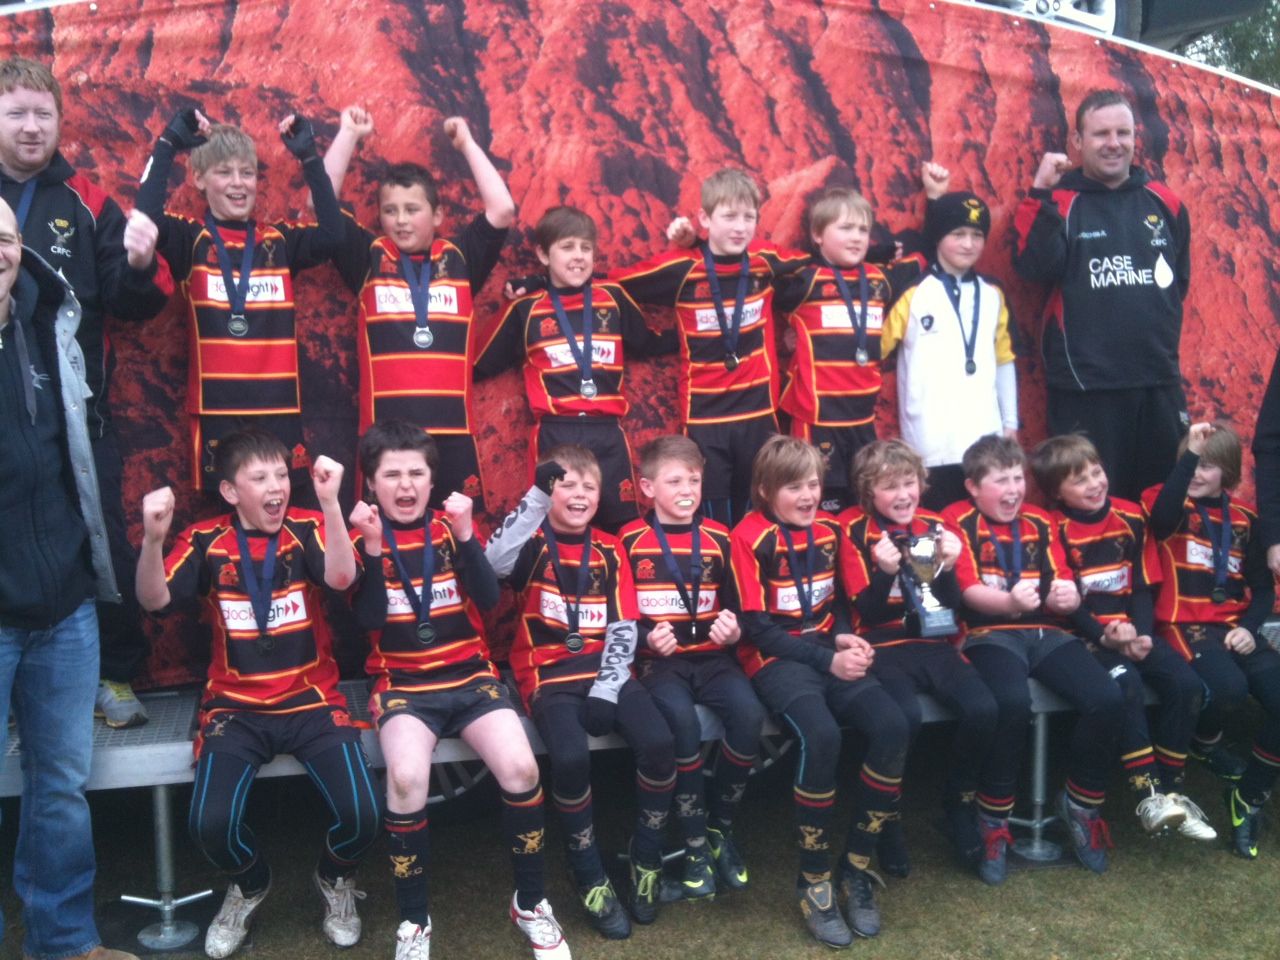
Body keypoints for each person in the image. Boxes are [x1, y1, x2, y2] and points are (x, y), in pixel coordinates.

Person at [136, 431, 379, 958]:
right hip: (236, 708)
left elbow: (342, 579)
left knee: (364, 815)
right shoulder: (204, 539)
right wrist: (153, 540)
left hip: (312, 701)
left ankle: (335, 878)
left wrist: (331, 503)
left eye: (281, 475)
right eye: (260, 477)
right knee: (210, 826)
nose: (276, 487)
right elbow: (154, 601)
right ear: (229, 491)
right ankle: (249, 884)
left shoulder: (308, 526)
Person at [346, 420, 569, 960]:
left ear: (432, 480)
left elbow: (490, 598)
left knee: (522, 769)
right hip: (403, 683)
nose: (405, 485)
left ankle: (531, 904)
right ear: (371, 483)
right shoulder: (359, 539)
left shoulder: (450, 530)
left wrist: (468, 535)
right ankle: (413, 921)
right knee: (404, 779)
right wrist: (373, 550)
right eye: (391, 475)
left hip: (469, 676)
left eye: (416, 473)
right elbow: (368, 620)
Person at [0, 56, 174, 729]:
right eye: (16, 113)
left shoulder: (89, 201)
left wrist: (139, 261)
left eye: (43, 113)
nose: (31, 126)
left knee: (97, 543)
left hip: (77, 420)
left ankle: (113, 672)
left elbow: (135, 302)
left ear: (60, 120)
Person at [0, 196, 140, 960]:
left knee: (59, 789)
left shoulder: (49, 326)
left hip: (63, 609)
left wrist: (85, 568)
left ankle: (64, 943)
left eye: (5, 238)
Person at [483, 446, 675, 937]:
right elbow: (492, 563)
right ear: (549, 493)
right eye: (567, 484)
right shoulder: (533, 542)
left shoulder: (609, 548)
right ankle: (588, 872)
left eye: (590, 486)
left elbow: (624, 625)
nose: (580, 494)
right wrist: (533, 498)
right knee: (569, 759)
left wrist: (608, 689)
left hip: (607, 673)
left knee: (659, 743)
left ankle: (646, 859)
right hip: (548, 675)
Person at [730, 435, 908, 947]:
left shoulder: (831, 530)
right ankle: (813, 880)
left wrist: (847, 632)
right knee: (822, 735)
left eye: (813, 485)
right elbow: (758, 630)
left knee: (892, 726)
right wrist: (829, 657)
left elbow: (852, 605)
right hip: (776, 661)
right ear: (766, 491)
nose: (808, 496)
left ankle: (855, 866)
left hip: (829, 653)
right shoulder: (747, 536)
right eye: (794, 488)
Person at [942, 434, 1124, 881]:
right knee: (1011, 703)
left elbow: (1062, 580)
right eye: (1001, 481)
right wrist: (1008, 603)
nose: (1013, 490)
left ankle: (1080, 805)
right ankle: (993, 821)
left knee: (1106, 698)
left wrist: (1066, 596)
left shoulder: (1040, 519)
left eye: (1018, 479)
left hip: (1046, 632)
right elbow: (966, 590)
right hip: (988, 633)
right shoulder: (955, 519)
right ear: (972, 487)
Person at [135, 106, 343, 493]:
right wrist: (168, 144)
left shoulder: (279, 241)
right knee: (227, 513)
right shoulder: (190, 239)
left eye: (246, 173)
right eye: (224, 172)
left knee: (291, 510)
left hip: (279, 411)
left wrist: (310, 158)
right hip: (218, 413)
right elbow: (145, 217)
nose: (238, 183)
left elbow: (334, 235)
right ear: (199, 178)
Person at [324, 108, 514, 511]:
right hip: (385, 441)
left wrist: (467, 144)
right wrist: (347, 134)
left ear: (438, 215)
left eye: (412, 209)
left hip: (452, 435)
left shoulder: (460, 259)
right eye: (390, 210)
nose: (401, 220)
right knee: (378, 535)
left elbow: (502, 210)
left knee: (460, 534)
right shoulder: (369, 258)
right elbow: (319, 205)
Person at [1030, 433, 1215, 841]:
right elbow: (1067, 603)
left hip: (1132, 630)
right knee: (1125, 683)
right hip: (1082, 636)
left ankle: (1174, 793)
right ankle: (1148, 795)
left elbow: (1142, 588)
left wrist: (1142, 636)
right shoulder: (1053, 527)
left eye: (1096, 472)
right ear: (1056, 493)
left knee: (1186, 685)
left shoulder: (1131, 515)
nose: (1094, 484)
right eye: (1079, 480)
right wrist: (1105, 637)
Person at [1013, 88, 1191, 501]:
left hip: (1157, 382)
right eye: (1101, 134)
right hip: (1085, 386)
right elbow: (1032, 268)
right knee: (1092, 506)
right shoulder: (1060, 200)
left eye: (1123, 133)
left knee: (1163, 502)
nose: (1114, 143)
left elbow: (1177, 285)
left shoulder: (1165, 202)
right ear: (1078, 141)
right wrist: (1040, 193)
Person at [611, 168, 808, 525]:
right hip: (704, 416)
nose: (740, 227)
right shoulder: (683, 268)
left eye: (749, 217)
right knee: (712, 520)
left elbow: (819, 265)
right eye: (729, 216)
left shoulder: (765, 261)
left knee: (758, 517)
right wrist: (654, 341)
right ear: (704, 218)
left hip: (758, 414)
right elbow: (612, 286)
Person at [618, 435, 766, 900]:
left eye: (695, 480)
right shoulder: (628, 540)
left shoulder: (722, 538)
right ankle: (695, 844)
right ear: (647, 488)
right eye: (674, 481)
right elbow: (617, 617)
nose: (687, 490)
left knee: (749, 716)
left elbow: (745, 609)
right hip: (660, 665)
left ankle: (721, 827)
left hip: (713, 659)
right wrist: (646, 637)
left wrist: (735, 630)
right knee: (681, 723)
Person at [840, 439, 998, 870]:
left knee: (983, 708)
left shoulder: (934, 525)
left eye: (909, 482)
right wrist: (883, 572)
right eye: (889, 486)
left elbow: (947, 606)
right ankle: (887, 819)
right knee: (904, 717)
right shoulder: (852, 528)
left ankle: (958, 806)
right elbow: (868, 611)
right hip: (882, 643)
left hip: (931, 640)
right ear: (868, 491)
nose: (903, 494)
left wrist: (947, 567)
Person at [477, 205, 673, 530]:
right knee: (551, 526)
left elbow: (648, 342)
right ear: (543, 254)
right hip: (556, 432)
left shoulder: (613, 298)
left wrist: (697, 334)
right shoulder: (525, 309)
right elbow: (480, 363)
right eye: (567, 247)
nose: (578, 256)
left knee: (622, 525)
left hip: (608, 432)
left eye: (586, 248)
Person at [1142, 422, 1280, 858]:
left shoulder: (1246, 519)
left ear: (1229, 472)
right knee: (1229, 688)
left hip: (1234, 628)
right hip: (1185, 625)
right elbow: (1161, 520)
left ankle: (1247, 798)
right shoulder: (1163, 500)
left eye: (1208, 465)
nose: (1197, 473)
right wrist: (1188, 459)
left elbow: (1263, 590)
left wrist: (1249, 628)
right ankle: (1205, 743)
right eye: (1192, 463)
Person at [774, 167, 940, 512]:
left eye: (863, 230)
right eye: (845, 228)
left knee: (865, 506)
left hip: (863, 420)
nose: (856, 238)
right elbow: (757, 274)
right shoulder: (805, 281)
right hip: (818, 421)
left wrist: (935, 198)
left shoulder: (880, 280)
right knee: (820, 505)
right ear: (817, 235)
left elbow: (926, 255)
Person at [881, 189, 1018, 511]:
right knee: (939, 524)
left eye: (977, 235)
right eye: (958, 234)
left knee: (984, 526)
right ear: (939, 236)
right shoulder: (913, 292)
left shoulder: (993, 293)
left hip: (986, 438)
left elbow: (1004, 360)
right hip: (930, 441)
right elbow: (876, 348)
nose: (968, 244)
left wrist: (1010, 423)